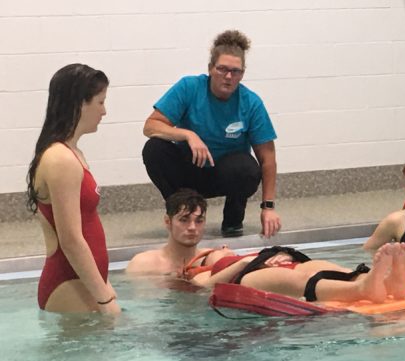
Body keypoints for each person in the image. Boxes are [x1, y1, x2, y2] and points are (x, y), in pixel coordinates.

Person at [142, 29, 281, 239]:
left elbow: (267, 158)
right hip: (189, 170)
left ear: (242, 74)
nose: (228, 76)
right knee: (154, 148)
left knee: (247, 168)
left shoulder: (251, 103)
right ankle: (182, 213)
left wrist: (268, 207)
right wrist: (187, 134)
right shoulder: (189, 87)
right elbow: (150, 126)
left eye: (235, 71)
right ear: (210, 69)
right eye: (222, 69)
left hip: (224, 174)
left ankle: (233, 220)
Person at [26, 63, 120, 315]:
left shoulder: (72, 153)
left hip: (83, 281)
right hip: (67, 283)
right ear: (80, 103)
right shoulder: (61, 159)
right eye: (100, 103)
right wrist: (104, 300)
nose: (104, 111)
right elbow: (70, 239)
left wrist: (104, 285)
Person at [190, 242, 405, 304]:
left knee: (319, 267)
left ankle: (385, 282)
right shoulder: (202, 272)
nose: (221, 248)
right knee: (297, 280)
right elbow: (207, 288)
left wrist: (283, 255)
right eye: (212, 251)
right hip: (244, 277)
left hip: (276, 262)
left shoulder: (248, 253)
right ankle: (361, 289)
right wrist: (242, 263)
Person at [126, 189, 216, 275]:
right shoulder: (143, 265)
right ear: (168, 222)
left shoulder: (213, 260)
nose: (192, 227)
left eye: (199, 221)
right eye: (184, 220)